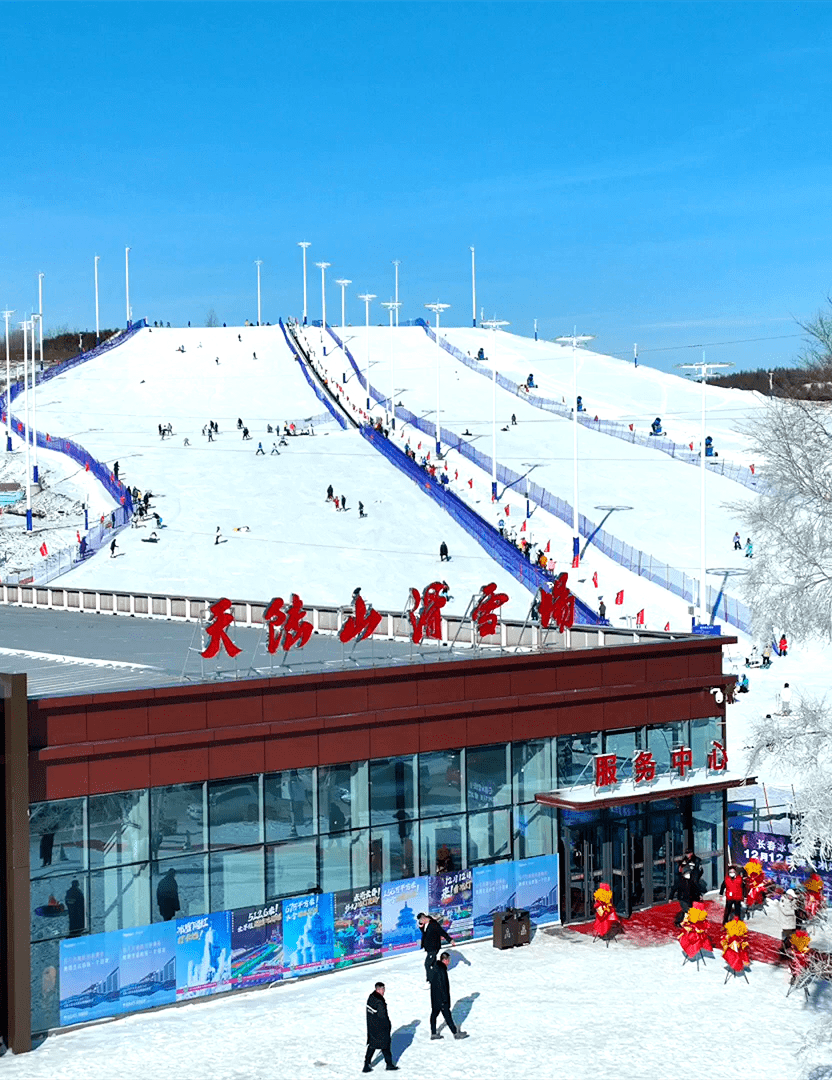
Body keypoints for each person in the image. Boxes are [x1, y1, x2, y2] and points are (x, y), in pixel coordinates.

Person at [429, 952, 468, 1041]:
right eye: (449, 959)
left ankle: (433, 1033)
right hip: (441, 998)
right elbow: (442, 986)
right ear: (445, 960)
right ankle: (455, 1033)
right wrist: (444, 1000)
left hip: (435, 997)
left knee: (434, 1014)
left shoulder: (436, 967)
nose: (450, 961)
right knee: (447, 1016)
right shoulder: (441, 970)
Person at [364, 981, 397, 1072]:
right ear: (379, 989)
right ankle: (389, 1065)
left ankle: (367, 1064)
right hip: (380, 1028)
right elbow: (383, 1017)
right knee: (385, 1046)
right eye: (383, 989)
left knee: (373, 1045)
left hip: (372, 1027)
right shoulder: (379, 1001)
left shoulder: (371, 997)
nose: (384, 991)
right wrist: (388, 1026)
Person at [419, 912, 452, 982]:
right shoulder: (425, 924)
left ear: (424, 918)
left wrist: (450, 940)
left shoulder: (434, 924)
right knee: (433, 963)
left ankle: (429, 980)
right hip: (428, 947)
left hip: (434, 947)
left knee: (427, 964)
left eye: (421, 921)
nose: (421, 922)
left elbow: (442, 932)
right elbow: (425, 933)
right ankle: (438, 975)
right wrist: (421, 927)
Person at [778, 888, 799, 960]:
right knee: (786, 940)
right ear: (788, 895)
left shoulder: (790, 900)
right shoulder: (782, 901)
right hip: (786, 924)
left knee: (793, 939)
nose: (792, 898)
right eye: (791, 896)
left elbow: (793, 906)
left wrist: (795, 901)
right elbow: (785, 912)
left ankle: (791, 952)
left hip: (791, 923)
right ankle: (782, 953)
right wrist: (794, 912)